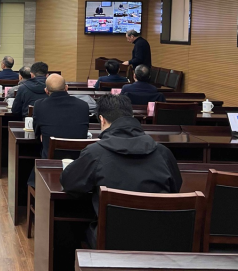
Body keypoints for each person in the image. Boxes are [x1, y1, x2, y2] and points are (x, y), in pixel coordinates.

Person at [60, 94, 182, 248]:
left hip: (111, 240)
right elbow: (176, 188)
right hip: (160, 240)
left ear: (102, 120)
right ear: (132, 117)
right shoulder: (163, 152)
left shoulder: (95, 153)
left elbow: (69, 183)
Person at [33, 74, 90, 161]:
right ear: (66, 88)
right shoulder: (83, 105)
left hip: (51, 160)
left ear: (46, 91)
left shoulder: (39, 105)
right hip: (78, 160)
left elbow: (37, 132)